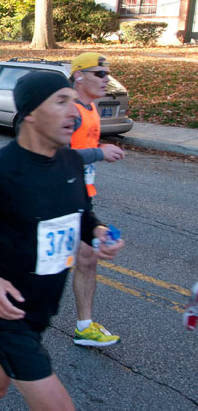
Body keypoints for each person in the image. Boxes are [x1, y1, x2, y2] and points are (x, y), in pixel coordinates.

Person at [0, 71, 124, 411]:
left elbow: (82, 212)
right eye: (61, 102)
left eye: (73, 102)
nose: (74, 112)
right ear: (31, 113)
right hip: (5, 313)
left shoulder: (70, 161)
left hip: (42, 309)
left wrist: (98, 232)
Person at [66, 52, 126, 347]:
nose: (107, 79)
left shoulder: (90, 108)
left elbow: (81, 145)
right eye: (99, 74)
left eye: (108, 73)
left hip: (81, 193)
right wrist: (99, 153)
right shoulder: (70, 111)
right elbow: (55, 157)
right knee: (32, 255)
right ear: (79, 75)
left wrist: (99, 146)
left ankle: (84, 326)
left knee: (88, 258)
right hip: (57, 194)